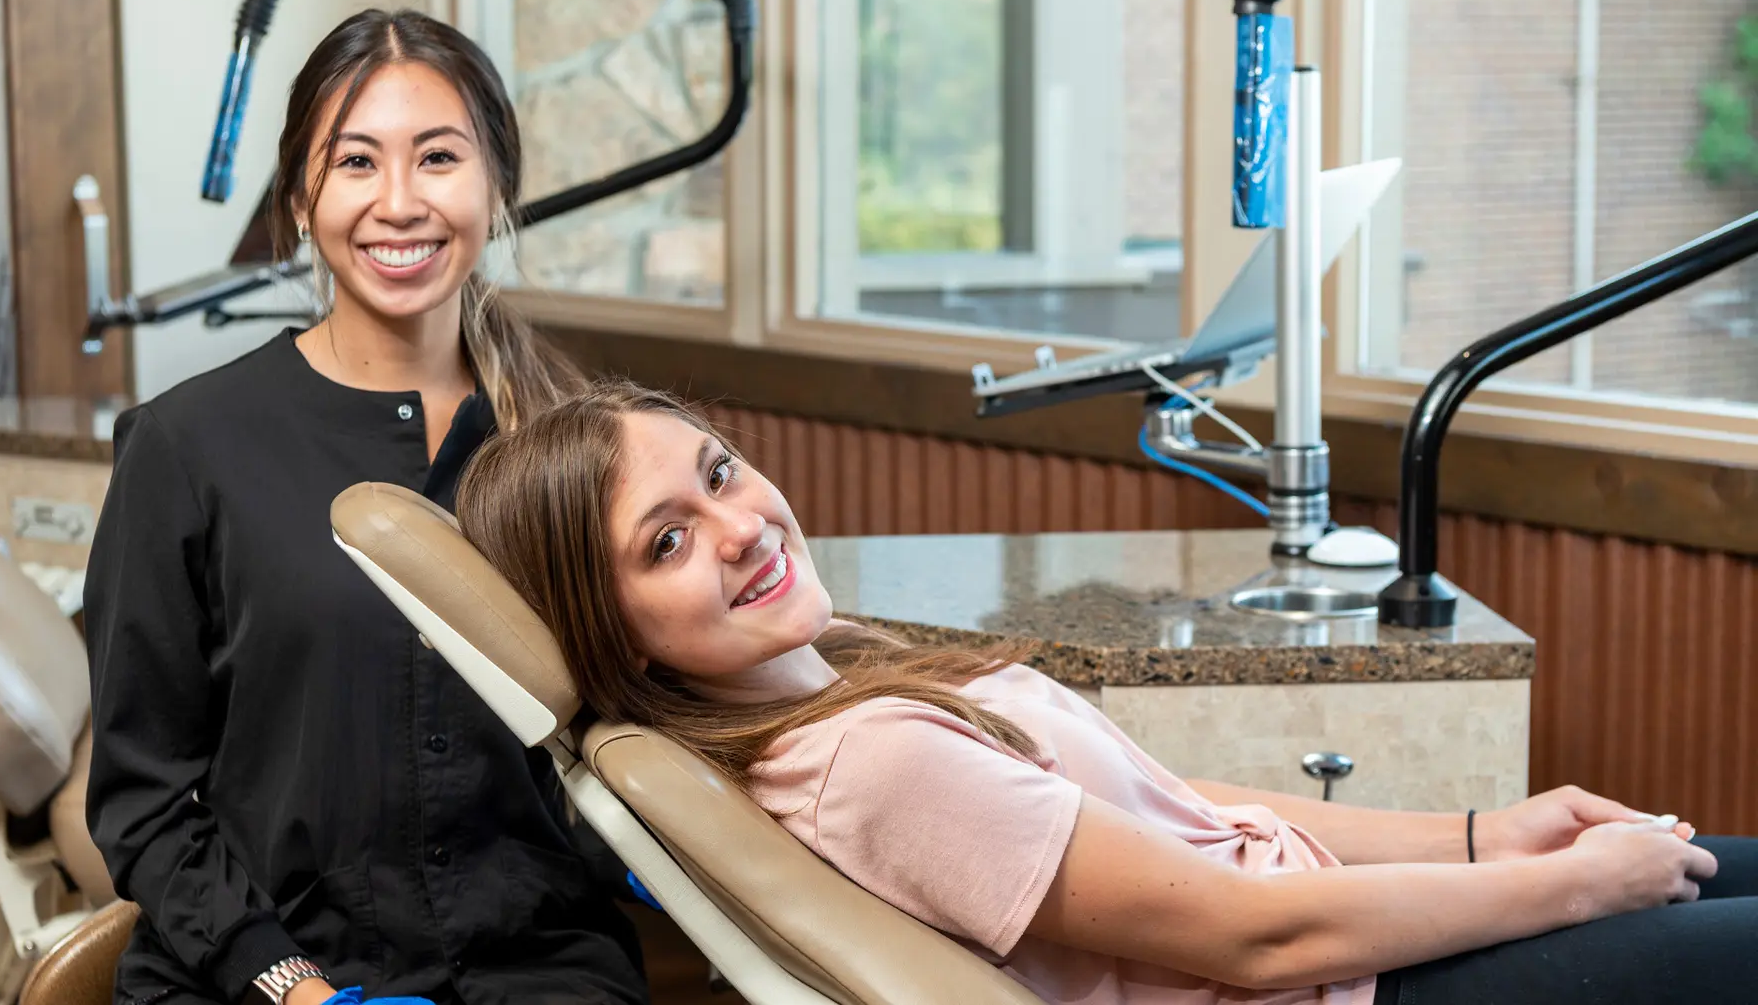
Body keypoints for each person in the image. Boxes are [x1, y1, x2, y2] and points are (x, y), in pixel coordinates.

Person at [454, 379, 1758, 1005]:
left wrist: (1488, 836)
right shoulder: (871, 766)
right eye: (666, 542)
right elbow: (1257, 941)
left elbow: (1172, 807)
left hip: (1337, 937)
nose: (740, 525)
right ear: (612, 631)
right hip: (1349, 989)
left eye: (721, 471)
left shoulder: (843, 668)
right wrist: (1569, 886)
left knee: (1729, 869)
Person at [84, 10, 649, 1005]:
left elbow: (641, 722)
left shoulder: (580, 446)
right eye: (355, 162)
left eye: (438, 157)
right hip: (255, 975)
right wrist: (292, 988)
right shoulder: (184, 447)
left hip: (535, 967)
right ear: (301, 197)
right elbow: (145, 804)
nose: (400, 203)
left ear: (495, 186)